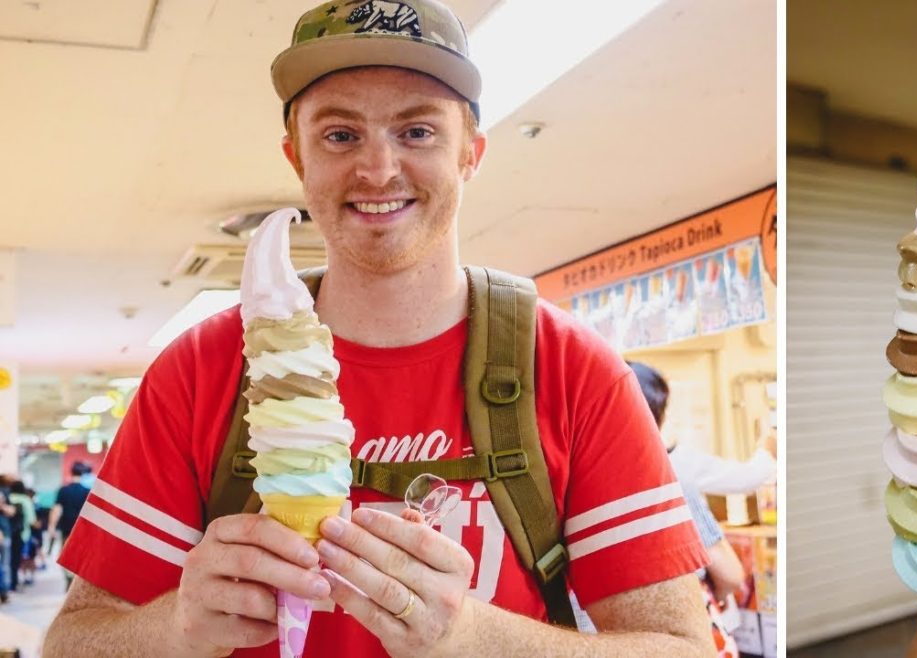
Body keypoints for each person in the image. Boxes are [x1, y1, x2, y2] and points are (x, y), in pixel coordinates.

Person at [43, 1, 713, 656]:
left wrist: (472, 637)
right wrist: (178, 629)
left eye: (417, 131)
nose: (378, 169)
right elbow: (71, 643)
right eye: (340, 135)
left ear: (471, 154)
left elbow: (685, 649)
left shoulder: (571, 369)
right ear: (297, 158)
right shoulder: (200, 368)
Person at [627, 361, 747, 658]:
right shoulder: (667, 480)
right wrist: (710, 595)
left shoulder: (570, 484)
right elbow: (730, 573)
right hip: (685, 640)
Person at [48, 462, 93, 591]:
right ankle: (76, 580)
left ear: (71, 472)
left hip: (66, 528)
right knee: (81, 555)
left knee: (66, 554)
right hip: (82, 529)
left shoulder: (63, 490)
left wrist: (51, 527)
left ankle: (68, 578)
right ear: (83, 474)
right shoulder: (87, 491)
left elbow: (56, 509)